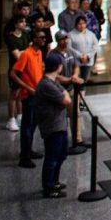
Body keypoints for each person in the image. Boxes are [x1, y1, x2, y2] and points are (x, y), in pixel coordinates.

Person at [30, 53, 71, 198]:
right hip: (52, 126)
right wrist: (65, 92)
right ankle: (48, 186)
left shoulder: (53, 81)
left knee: (61, 154)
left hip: (59, 125)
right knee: (52, 157)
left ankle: (54, 180)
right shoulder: (47, 84)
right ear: (59, 67)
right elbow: (66, 99)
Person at [9, 29, 49, 169]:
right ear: (34, 39)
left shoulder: (39, 53)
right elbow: (13, 74)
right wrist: (27, 87)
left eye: (44, 37)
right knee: (27, 125)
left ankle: (29, 150)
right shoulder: (26, 54)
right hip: (29, 95)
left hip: (37, 94)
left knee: (32, 125)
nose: (44, 40)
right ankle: (24, 157)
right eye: (41, 37)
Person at [4, 15, 29, 132]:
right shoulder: (10, 38)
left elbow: (29, 52)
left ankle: (20, 115)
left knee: (21, 93)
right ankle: (11, 119)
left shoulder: (25, 35)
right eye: (21, 21)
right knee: (14, 94)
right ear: (15, 24)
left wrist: (23, 52)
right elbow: (17, 56)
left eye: (25, 21)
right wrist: (25, 52)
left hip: (24, 69)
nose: (24, 23)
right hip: (15, 69)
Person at [68, 15, 97, 83]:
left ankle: (82, 92)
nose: (82, 25)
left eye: (83, 23)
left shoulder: (91, 34)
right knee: (76, 79)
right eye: (79, 24)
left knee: (84, 79)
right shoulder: (70, 34)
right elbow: (69, 47)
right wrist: (80, 55)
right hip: (76, 61)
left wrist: (88, 55)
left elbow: (95, 46)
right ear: (76, 24)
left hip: (87, 60)